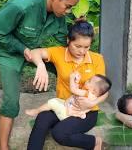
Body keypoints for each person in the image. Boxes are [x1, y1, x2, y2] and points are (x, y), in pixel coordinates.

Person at [0, 0, 83, 150]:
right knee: (10, 101)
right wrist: (23, 50)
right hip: (9, 53)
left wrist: (79, 32)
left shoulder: (58, 14)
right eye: (68, 6)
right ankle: (3, 147)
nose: (68, 11)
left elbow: (65, 42)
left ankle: (74, 108)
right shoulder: (22, 6)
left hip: (34, 52)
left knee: (68, 69)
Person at [27, 20, 108, 150]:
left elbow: (104, 91)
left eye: (86, 47)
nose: (82, 51)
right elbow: (34, 52)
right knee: (42, 118)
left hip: (86, 112)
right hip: (62, 104)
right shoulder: (58, 53)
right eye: (78, 46)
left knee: (59, 133)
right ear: (68, 40)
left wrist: (91, 103)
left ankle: (94, 142)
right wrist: (41, 65)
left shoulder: (97, 59)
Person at [25, 72, 111, 120]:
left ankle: (36, 111)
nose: (86, 81)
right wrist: (77, 81)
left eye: (89, 81)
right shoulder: (91, 95)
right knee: (57, 100)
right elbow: (77, 92)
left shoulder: (87, 94)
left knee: (52, 102)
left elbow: (74, 90)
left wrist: (71, 78)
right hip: (69, 108)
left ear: (93, 90)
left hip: (66, 113)